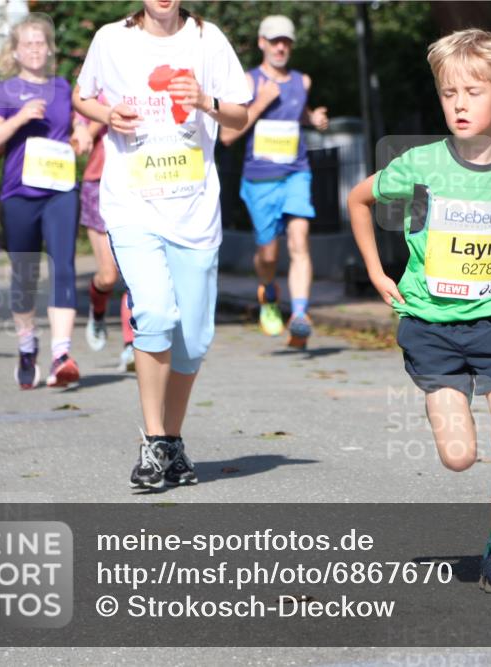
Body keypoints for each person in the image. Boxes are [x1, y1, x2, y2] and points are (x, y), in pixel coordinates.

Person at [348, 29, 491, 593]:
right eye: (449, 93)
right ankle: (445, 406)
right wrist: (378, 272)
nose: (458, 104)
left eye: (472, 93)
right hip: (431, 324)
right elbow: (358, 199)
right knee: (458, 457)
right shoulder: (419, 164)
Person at [73, 0, 250, 489]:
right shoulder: (112, 39)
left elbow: (239, 116)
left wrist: (205, 102)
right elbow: (81, 95)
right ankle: (153, 442)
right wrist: (108, 113)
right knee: (154, 312)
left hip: (193, 214)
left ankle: (171, 441)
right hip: (132, 207)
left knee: (193, 340)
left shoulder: (207, 39)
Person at [0, 14, 92, 389]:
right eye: (28, 44)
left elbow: (80, 122)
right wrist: (19, 119)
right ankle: (27, 347)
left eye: (41, 42)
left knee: (63, 266)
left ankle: (61, 354)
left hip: (60, 191)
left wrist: (82, 131)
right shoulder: (5, 92)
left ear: (49, 48)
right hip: (19, 195)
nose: (35, 49)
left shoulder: (62, 87)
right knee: (24, 276)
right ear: (16, 51)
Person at [220, 15, 328, 348]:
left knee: (299, 240)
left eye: (286, 41)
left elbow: (301, 113)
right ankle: (268, 294)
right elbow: (226, 135)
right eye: (274, 41)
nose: (281, 47)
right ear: (262, 43)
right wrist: (262, 101)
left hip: (296, 172)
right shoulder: (248, 82)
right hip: (260, 180)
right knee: (268, 254)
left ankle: (299, 314)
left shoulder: (302, 81)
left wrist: (315, 119)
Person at [77, 97, 136, 371]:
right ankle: (97, 310)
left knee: (135, 274)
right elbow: (78, 144)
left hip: (137, 182)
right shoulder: (89, 93)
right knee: (109, 276)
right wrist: (104, 113)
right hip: (97, 183)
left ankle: (131, 346)